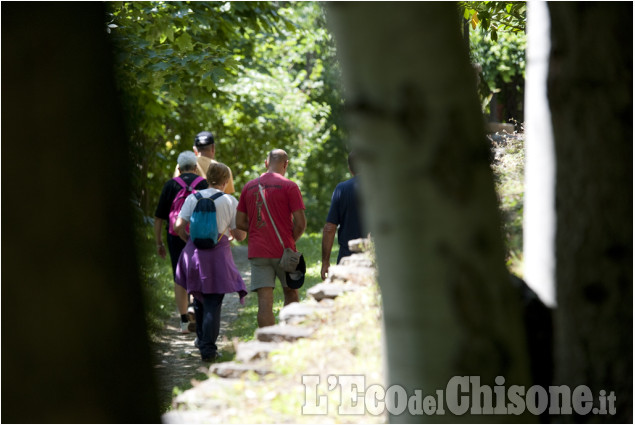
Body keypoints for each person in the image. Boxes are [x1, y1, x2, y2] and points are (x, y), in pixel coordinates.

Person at [174, 162, 247, 362]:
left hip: (194, 253)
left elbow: (177, 225)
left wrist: (187, 238)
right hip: (217, 256)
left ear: (207, 178)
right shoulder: (230, 200)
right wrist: (232, 232)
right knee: (213, 302)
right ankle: (208, 349)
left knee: (198, 299)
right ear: (226, 181)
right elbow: (240, 235)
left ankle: (202, 341)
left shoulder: (193, 197)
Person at [236, 149, 307, 328]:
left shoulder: (249, 187)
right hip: (284, 251)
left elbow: (239, 222)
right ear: (286, 164)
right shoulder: (290, 186)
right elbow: (300, 223)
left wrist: (256, 230)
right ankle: (290, 337)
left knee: (264, 302)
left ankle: (267, 343)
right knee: (291, 293)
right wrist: (291, 240)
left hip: (258, 252)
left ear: (266, 163)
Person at [154, 151, 209, 333]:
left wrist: (159, 243)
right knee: (198, 271)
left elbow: (159, 217)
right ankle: (197, 311)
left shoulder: (170, 185)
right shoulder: (202, 183)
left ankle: (184, 321)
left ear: (178, 168)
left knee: (179, 276)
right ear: (195, 167)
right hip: (198, 234)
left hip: (175, 235)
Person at [321, 152, 364, 280]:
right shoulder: (383, 187)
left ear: (350, 168)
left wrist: (325, 262)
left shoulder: (342, 189)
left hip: (348, 257)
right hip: (378, 255)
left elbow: (330, 228)